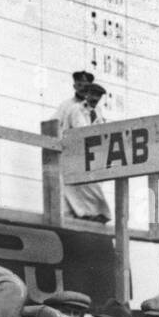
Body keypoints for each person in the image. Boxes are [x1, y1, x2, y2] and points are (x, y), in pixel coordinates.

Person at [62, 83, 111, 223]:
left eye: (98, 96)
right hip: (74, 152)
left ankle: (96, 213)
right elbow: (81, 131)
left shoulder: (98, 112)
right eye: (93, 94)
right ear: (87, 94)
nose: (95, 98)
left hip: (88, 154)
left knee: (91, 186)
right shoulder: (76, 109)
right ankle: (89, 213)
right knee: (82, 187)